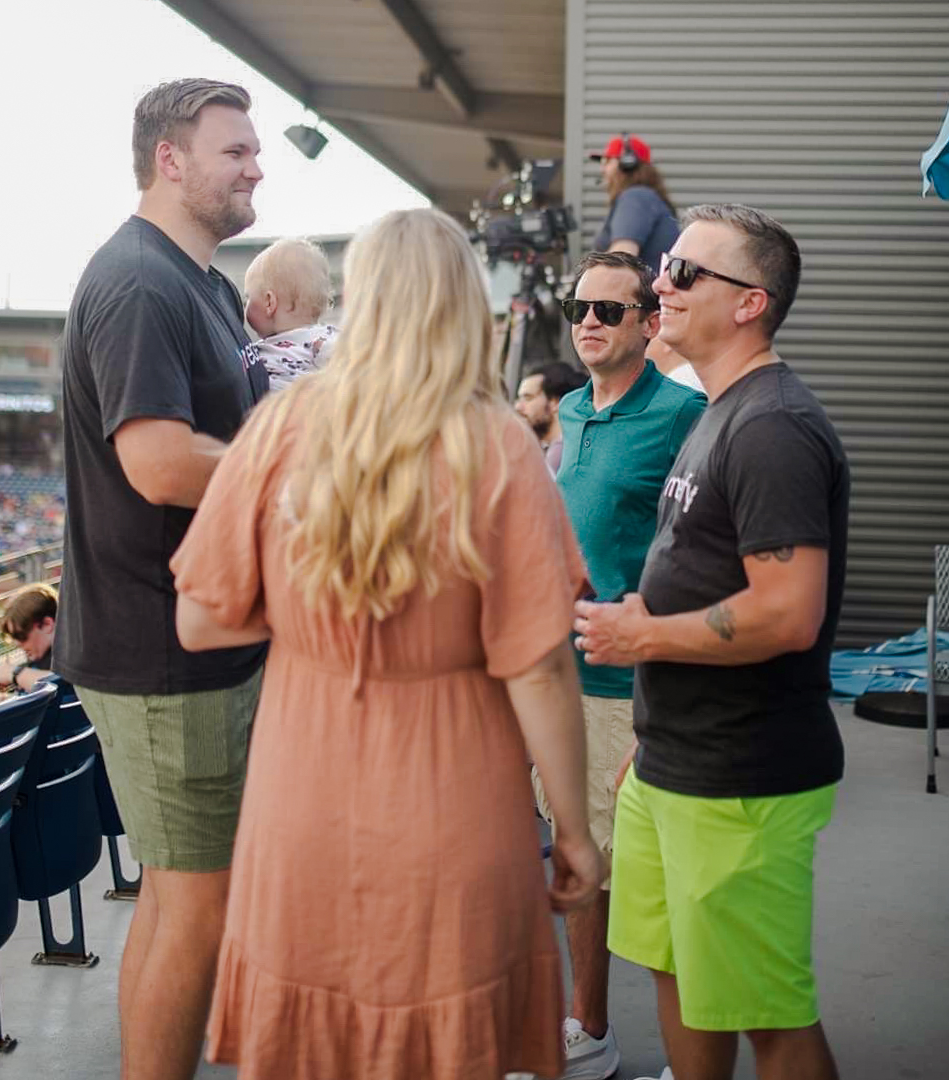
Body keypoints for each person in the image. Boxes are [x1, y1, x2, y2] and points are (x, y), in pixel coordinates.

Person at [170, 207, 605, 1080]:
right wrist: (577, 836)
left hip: (302, 803)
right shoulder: (502, 447)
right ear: (460, 309)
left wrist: (309, 619)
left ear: (360, 303)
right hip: (455, 807)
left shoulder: (279, 432)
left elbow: (200, 620)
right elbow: (539, 666)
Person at [574, 204, 849, 1080]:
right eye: (666, 266)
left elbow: (786, 613)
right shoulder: (719, 414)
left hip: (742, 774)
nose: (663, 283)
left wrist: (642, 634)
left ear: (749, 303)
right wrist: (648, 743)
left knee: (766, 1012)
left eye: (687, 274)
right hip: (673, 760)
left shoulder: (771, 427)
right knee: (681, 970)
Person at [54, 78, 269, 1080]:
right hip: (158, 648)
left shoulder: (206, 283)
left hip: (194, 636)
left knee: (178, 896)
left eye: (255, 150)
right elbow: (159, 462)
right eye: (234, 151)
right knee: (200, 902)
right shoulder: (140, 282)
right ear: (169, 161)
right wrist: (305, 459)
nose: (255, 166)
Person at [533, 252, 704, 1080]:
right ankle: (589, 1027)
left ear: (648, 322)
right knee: (582, 867)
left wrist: (665, 688)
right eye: (579, 308)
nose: (590, 321)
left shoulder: (684, 414)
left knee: (658, 878)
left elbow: (708, 556)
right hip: (562, 681)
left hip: (634, 689)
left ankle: (694, 1055)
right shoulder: (570, 405)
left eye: (610, 309)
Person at [243, 236, 339, 390]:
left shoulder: (322, 341)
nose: (245, 305)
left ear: (269, 302)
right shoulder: (256, 350)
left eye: (248, 298)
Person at [591, 134, 679, 278]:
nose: (602, 169)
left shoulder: (636, 197)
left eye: (607, 160)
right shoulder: (644, 197)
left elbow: (621, 257)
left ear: (627, 163)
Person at [514, 362, 590, 473]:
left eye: (528, 398)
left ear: (555, 402)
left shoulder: (562, 453)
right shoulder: (547, 450)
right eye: (519, 399)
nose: (518, 407)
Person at [0, 582, 56, 692]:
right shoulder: (45, 657)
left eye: (21, 635)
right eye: (13, 637)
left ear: (47, 624)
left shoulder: (72, 652)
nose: (17, 643)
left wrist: (15, 673)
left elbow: (62, 685)